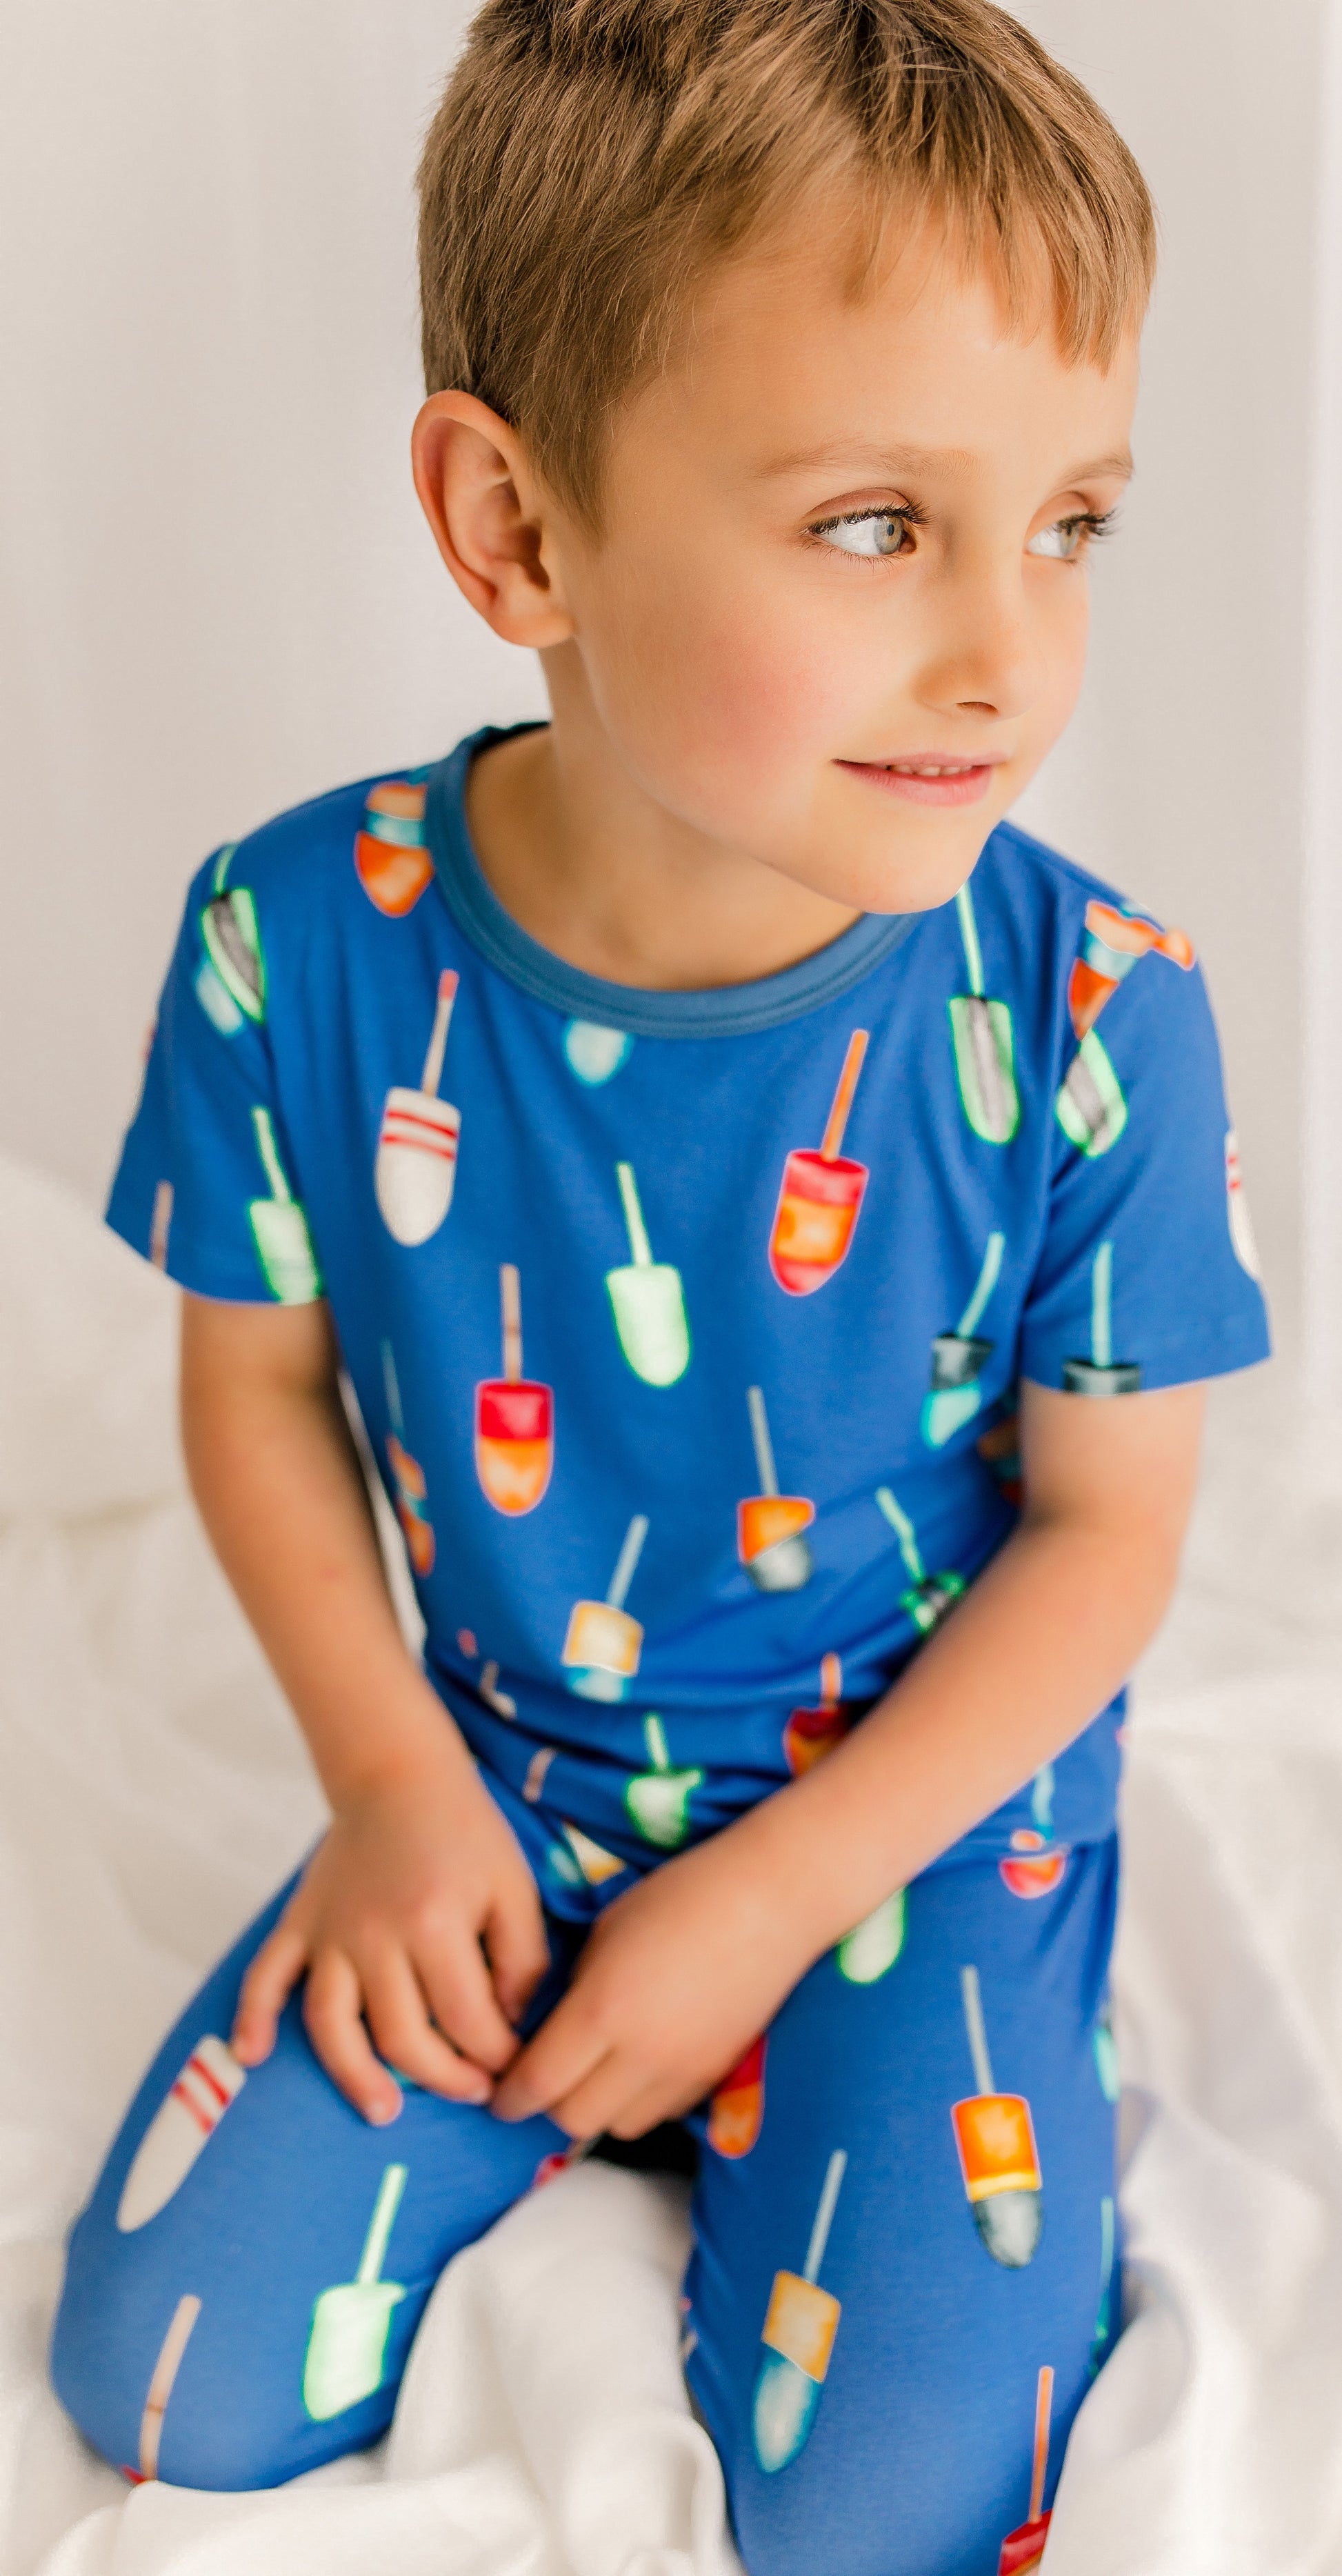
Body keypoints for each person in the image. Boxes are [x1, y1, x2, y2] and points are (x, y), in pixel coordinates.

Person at [50, 3, 1270, 2566]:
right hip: (502, 1778)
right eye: (876, 524)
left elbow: (1107, 1535)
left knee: (895, 2517)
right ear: (516, 531)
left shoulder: (1094, 1014)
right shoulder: (299, 943)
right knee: (164, 2381)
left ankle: (906, 2088)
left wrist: (763, 1909)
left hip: (913, 1830)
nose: (1008, 653)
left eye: (1068, 522)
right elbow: (255, 1391)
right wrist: (392, 1785)